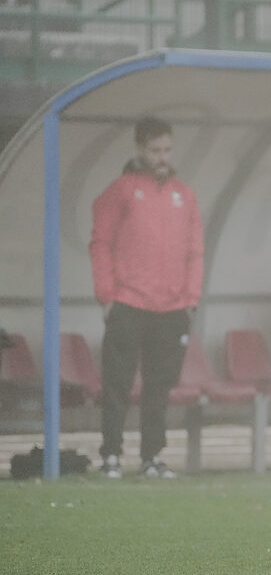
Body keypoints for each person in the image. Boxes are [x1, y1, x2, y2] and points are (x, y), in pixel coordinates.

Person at [89, 116, 204, 479]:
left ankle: (152, 457)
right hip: (128, 303)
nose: (162, 157)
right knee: (117, 384)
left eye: (167, 149)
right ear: (140, 149)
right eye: (155, 150)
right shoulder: (120, 190)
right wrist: (107, 295)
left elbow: (195, 252)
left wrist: (191, 298)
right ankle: (111, 455)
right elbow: (100, 244)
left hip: (172, 307)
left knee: (160, 386)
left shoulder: (184, 195)